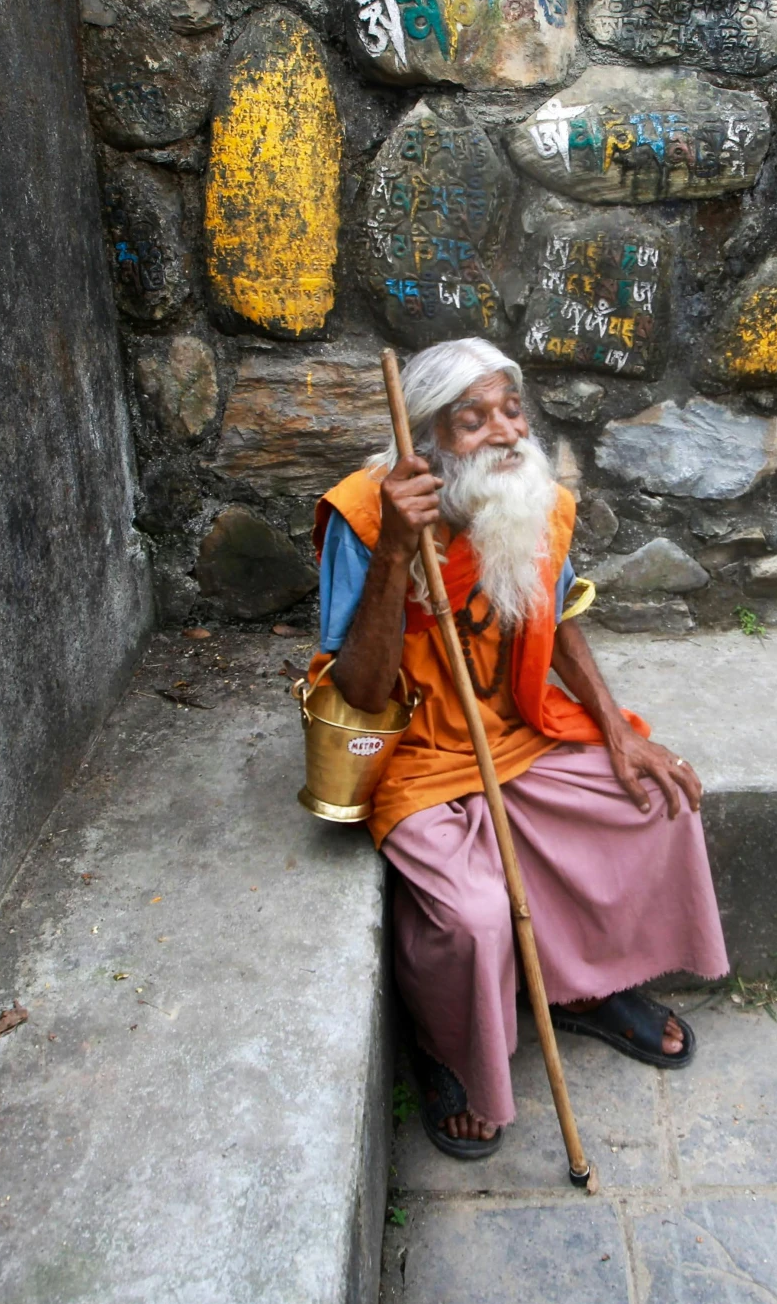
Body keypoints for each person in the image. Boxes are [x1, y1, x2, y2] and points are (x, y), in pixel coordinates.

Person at [312, 338, 729, 1158]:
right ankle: (446, 1051)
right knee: (472, 918)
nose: (504, 433)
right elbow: (359, 693)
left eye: (511, 410)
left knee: (655, 804)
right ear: (428, 443)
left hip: (519, 727)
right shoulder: (366, 517)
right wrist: (397, 549)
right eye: (472, 421)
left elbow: (558, 614)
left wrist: (614, 729)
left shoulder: (529, 494)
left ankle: (584, 989)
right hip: (419, 753)